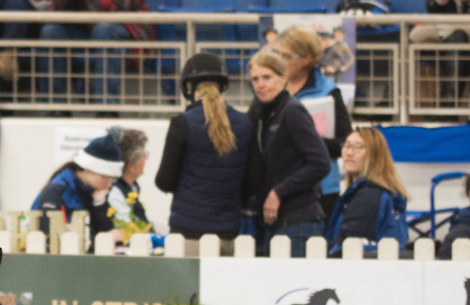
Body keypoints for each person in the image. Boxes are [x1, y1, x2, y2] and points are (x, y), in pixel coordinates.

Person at [156, 53, 253, 242]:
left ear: (189, 88)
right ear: (222, 87)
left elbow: (164, 181)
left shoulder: (181, 123)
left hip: (187, 230)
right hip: (228, 231)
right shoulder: (245, 122)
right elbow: (254, 180)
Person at [247, 51, 331, 258]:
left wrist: (278, 192)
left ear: (284, 78)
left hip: (298, 222)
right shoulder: (261, 114)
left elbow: (320, 163)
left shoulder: (292, 111)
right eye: (255, 79)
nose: (260, 84)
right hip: (276, 223)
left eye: (267, 77)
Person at [275, 28, 352, 220]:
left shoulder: (329, 92)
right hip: (277, 186)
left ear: (308, 58)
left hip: (321, 190)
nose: (279, 60)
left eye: (286, 55)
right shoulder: (270, 88)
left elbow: (344, 142)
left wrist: (305, 141)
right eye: (277, 54)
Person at [33, 0, 153, 105]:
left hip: (120, 25)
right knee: (50, 31)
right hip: (82, 29)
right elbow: (53, 11)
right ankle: (56, 106)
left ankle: (106, 106)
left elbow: (118, 9)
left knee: (103, 30)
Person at [323, 127, 410, 251]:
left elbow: (349, 243)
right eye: (347, 146)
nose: (349, 153)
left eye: (358, 147)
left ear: (375, 155)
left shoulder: (369, 195)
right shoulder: (375, 192)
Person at [31, 128, 125, 240]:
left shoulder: (96, 191)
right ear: (87, 169)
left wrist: (99, 204)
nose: (109, 184)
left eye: (113, 179)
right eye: (106, 178)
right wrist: (103, 239)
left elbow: (110, 233)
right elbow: (48, 237)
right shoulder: (56, 191)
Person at [103, 129, 151, 241]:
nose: (146, 159)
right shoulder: (115, 191)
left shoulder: (132, 186)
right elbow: (127, 227)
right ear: (131, 165)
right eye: (144, 155)